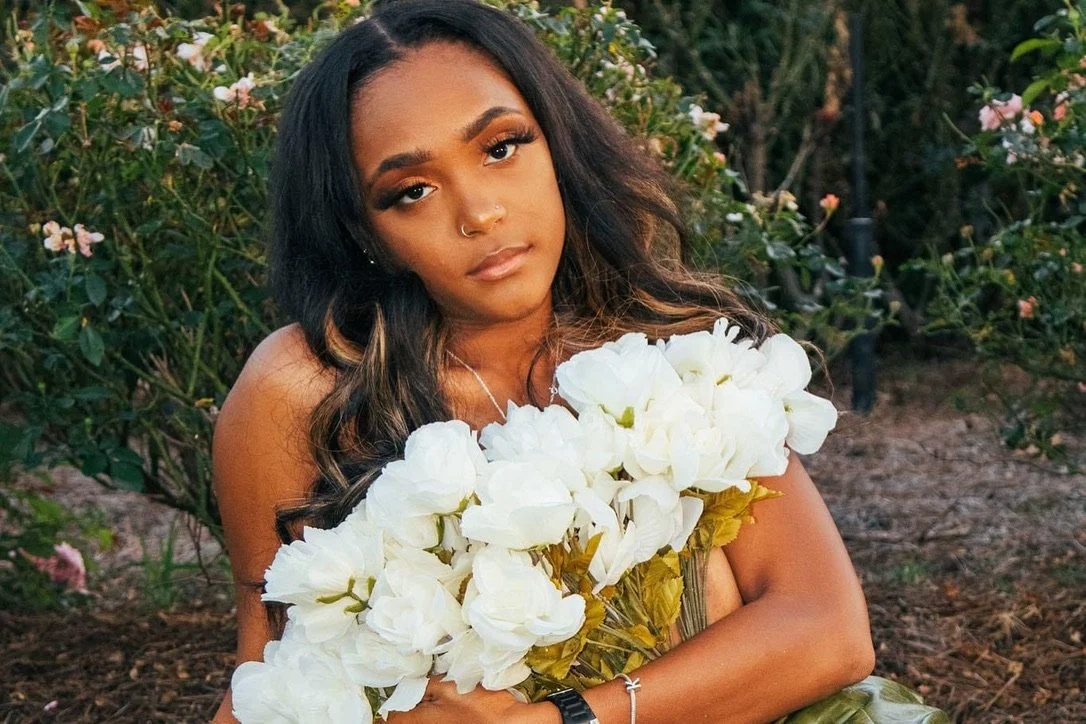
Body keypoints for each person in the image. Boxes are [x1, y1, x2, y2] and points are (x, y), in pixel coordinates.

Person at [210, 1, 875, 721]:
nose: (479, 213)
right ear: (365, 232)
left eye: (501, 147)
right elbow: (271, 679)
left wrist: (565, 718)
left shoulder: (674, 355)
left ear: (557, 144)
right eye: (412, 191)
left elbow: (826, 631)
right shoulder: (307, 389)